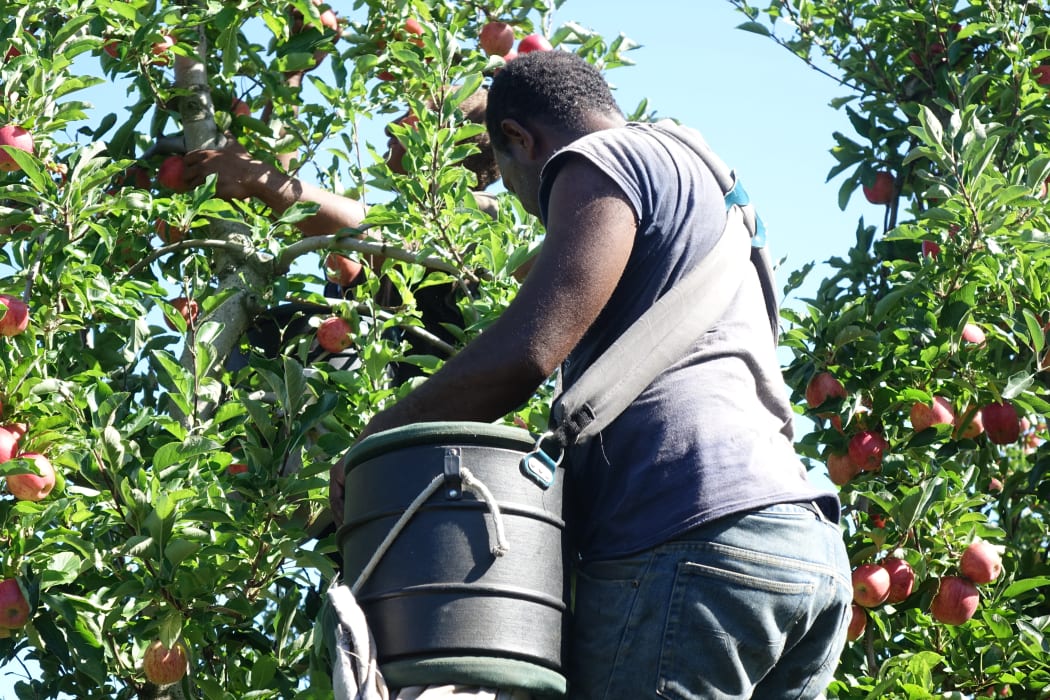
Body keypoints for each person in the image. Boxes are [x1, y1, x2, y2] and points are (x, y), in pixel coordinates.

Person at [337, 50, 852, 699]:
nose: (526, 204)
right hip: (804, 550)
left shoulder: (597, 161)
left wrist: (374, 444)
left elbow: (526, 353)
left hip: (690, 541)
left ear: (520, 138)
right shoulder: (709, 185)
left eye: (508, 177)